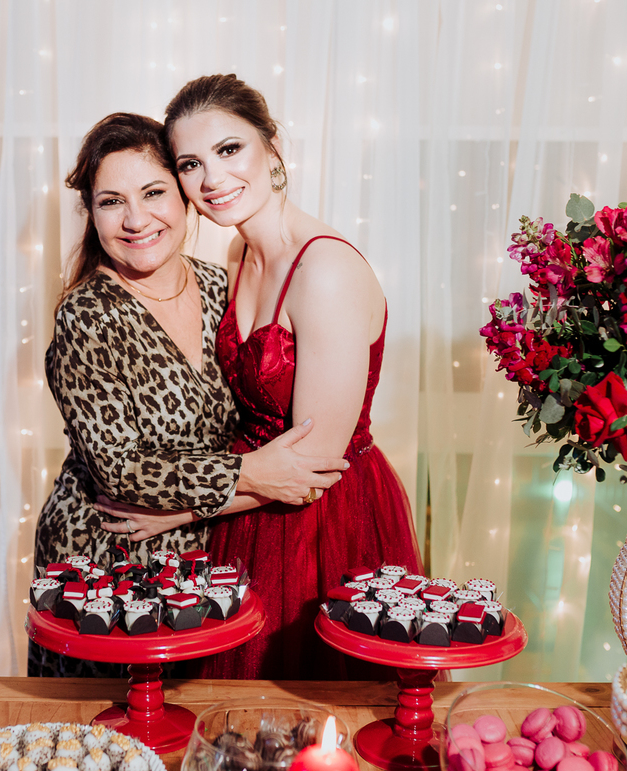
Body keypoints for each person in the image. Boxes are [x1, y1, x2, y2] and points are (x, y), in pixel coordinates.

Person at [96, 76, 426, 680]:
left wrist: (179, 512)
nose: (212, 179)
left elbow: (314, 466)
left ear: (272, 149)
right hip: (244, 510)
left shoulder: (324, 269)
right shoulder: (237, 255)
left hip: (323, 523)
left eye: (229, 150)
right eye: (191, 163)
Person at [31, 112, 346, 677]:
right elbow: (121, 472)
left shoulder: (220, 282)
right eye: (110, 202)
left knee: (197, 732)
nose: (136, 219)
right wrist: (250, 473)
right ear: (91, 215)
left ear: (185, 198)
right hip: (108, 556)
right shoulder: (88, 314)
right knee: (111, 743)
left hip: (208, 543)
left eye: (154, 192)